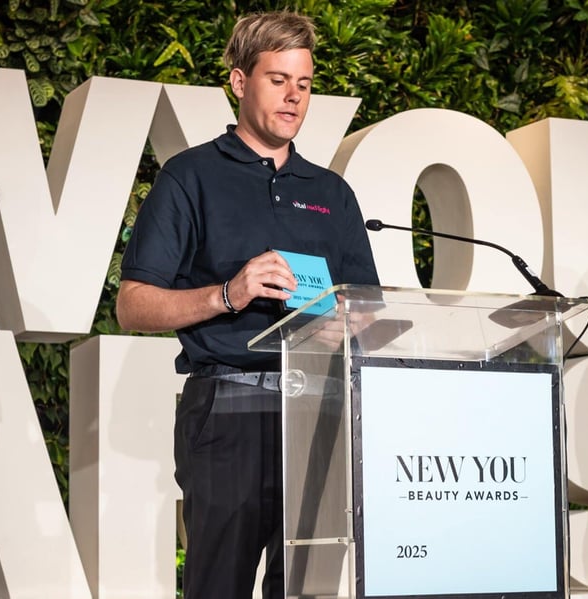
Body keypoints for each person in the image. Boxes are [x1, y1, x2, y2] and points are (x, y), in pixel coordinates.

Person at [116, 11, 379, 599]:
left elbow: (367, 310)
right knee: (219, 584)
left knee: (306, 587)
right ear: (239, 83)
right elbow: (132, 306)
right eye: (277, 79)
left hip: (319, 414)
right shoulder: (190, 177)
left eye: (304, 84)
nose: (293, 97)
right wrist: (227, 294)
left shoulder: (331, 193)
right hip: (227, 408)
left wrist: (351, 326)